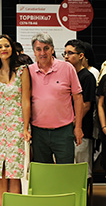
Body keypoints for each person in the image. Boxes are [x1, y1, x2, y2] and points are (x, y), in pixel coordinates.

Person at [0, 34, 31, 206]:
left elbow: (26, 100)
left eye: (6, 45)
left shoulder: (22, 70)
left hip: (16, 124)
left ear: (12, 48)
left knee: (14, 170)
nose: (3, 49)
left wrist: (26, 128)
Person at [29, 33, 83, 164]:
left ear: (52, 49)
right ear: (34, 52)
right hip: (38, 132)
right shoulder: (28, 71)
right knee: (43, 174)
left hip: (63, 131)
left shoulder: (67, 68)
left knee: (65, 172)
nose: (43, 53)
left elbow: (78, 98)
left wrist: (78, 127)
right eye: (38, 49)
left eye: (46, 48)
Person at [64, 39, 96, 179]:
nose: (66, 56)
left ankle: (84, 200)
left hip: (82, 127)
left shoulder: (87, 77)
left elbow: (86, 105)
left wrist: (75, 122)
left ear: (81, 55)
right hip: (66, 127)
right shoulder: (67, 75)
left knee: (82, 168)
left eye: (70, 53)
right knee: (68, 167)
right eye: (64, 53)